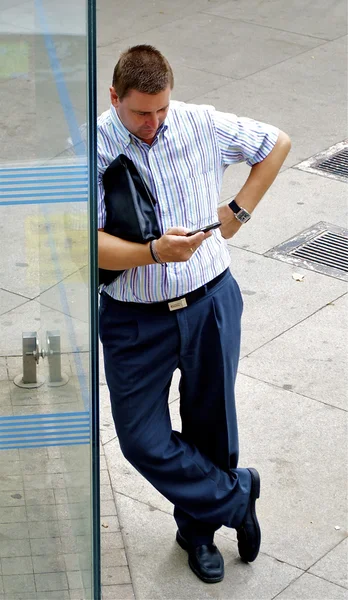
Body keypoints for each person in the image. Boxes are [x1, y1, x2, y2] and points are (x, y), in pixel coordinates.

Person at [98, 44, 291, 584]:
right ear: (115, 97)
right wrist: (153, 252)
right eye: (140, 112)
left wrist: (238, 209)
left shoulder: (198, 123)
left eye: (161, 108)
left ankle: (198, 533)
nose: (154, 122)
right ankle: (236, 497)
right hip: (134, 317)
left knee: (211, 426)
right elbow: (83, 245)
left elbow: (276, 143)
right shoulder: (90, 147)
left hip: (209, 300)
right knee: (140, 437)